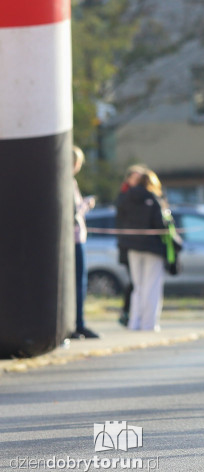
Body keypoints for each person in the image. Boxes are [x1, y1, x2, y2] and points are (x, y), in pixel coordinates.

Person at [116, 167, 172, 331]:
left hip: (132, 247)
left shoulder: (125, 198)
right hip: (152, 248)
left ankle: (134, 323)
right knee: (152, 286)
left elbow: (119, 221)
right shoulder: (154, 198)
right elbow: (161, 225)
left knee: (137, 287)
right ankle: (149, 324)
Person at [70, 145, 99, 340]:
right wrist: (87, 204)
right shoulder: (68, 182)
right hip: (74, 238)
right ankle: (78, 323)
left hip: (74, 238)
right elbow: (74, 211)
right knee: (79, 283)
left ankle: (77, 322)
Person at [116, 165, 147, 327]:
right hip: (129, 246)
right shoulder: (125, 196)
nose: (136, 181)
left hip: (143, 245)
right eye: (134, 177)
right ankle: (128, 313)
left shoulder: (145, 196)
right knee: (134, 281)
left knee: (141, 282)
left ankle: (136, 314)